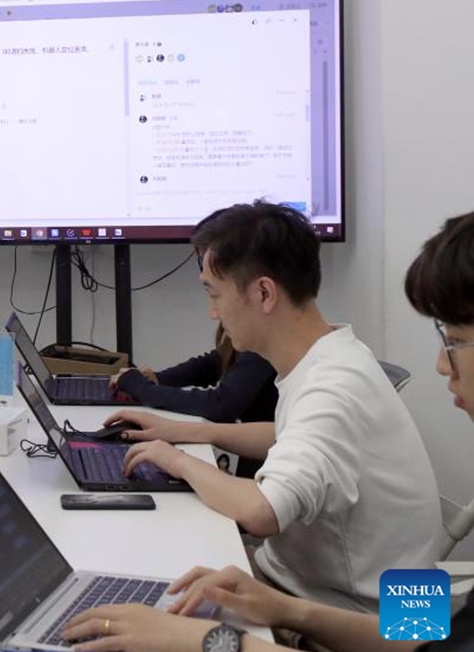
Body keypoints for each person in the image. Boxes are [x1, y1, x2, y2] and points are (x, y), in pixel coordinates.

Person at [61, 211, 474, 652]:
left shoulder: (333, 386)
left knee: (126, 601)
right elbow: (290, 434)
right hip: (330, 603)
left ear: (263, 293)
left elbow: (262, 511)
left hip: (355, 616)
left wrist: (211, 640)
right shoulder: (335, 356)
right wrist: (187, 433)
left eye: (214, 294)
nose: (212, 311)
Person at [111, 322, 277, 477]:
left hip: (269, 467)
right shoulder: (257, 335)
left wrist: (143, 389)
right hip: (258, 457)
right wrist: (158, 379)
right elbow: (216, 362)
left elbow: (221, 404)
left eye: (216, 295)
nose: (213, 312)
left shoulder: (269, 338)